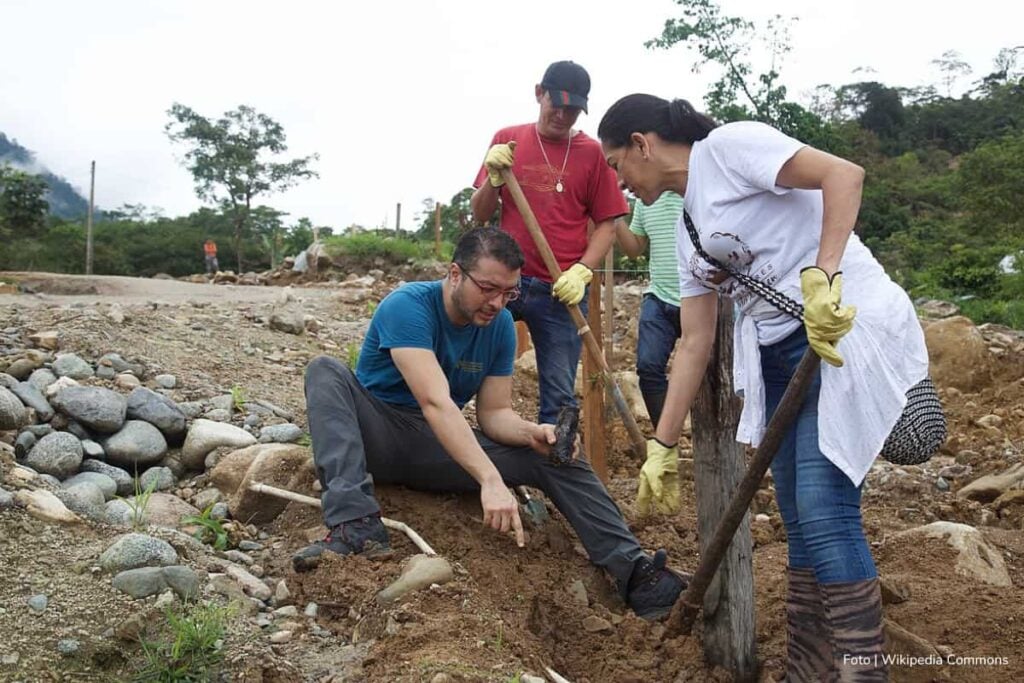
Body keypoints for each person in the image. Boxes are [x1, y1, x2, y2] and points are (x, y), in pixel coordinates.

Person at [598, 94, 930, 680]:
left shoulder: (729, 148)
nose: (620, 181)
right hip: (780, 357)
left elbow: (842, 175)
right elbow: (694, 342)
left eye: (616, 162)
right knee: (800, 515)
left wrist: (824, 277)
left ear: (642, 144)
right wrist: (663, 444)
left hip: (838, 328)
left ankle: (862, 672)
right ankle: (810, 665)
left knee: (826, 511)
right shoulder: (687, 226)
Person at [293, 227, 687, 620]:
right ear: (454, 274)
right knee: (325, 371)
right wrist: (490, 478)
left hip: (435, 448)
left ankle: (635, 573)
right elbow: (434, 402)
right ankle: (354, 524)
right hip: (377, 434)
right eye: (487, 288)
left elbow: (494, 414)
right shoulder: (408, 305)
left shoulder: (498, 327)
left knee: (554, 455)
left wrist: (532, 433)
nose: (498, 303)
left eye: (508, 293)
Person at [471, 60, 628, 425]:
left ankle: (555, 471)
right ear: (538, 93)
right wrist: (493, 178)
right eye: (555, 104)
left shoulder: (592, 154)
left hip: (560, 290)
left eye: (573, 109)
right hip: (502, 282)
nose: (562, 115)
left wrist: (582, 271)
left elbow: (608, 224)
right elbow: (480, 214)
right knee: (467, 363)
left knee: (558, 394)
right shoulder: (507, 140)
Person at [614, 191, 684, 431]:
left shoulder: (694, 187)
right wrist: (613, 213)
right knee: (648, 368)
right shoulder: (646, 198)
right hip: (660, 296)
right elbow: (634, 248)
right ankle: (667, 441)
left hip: (703, 299)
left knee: (714, 378)